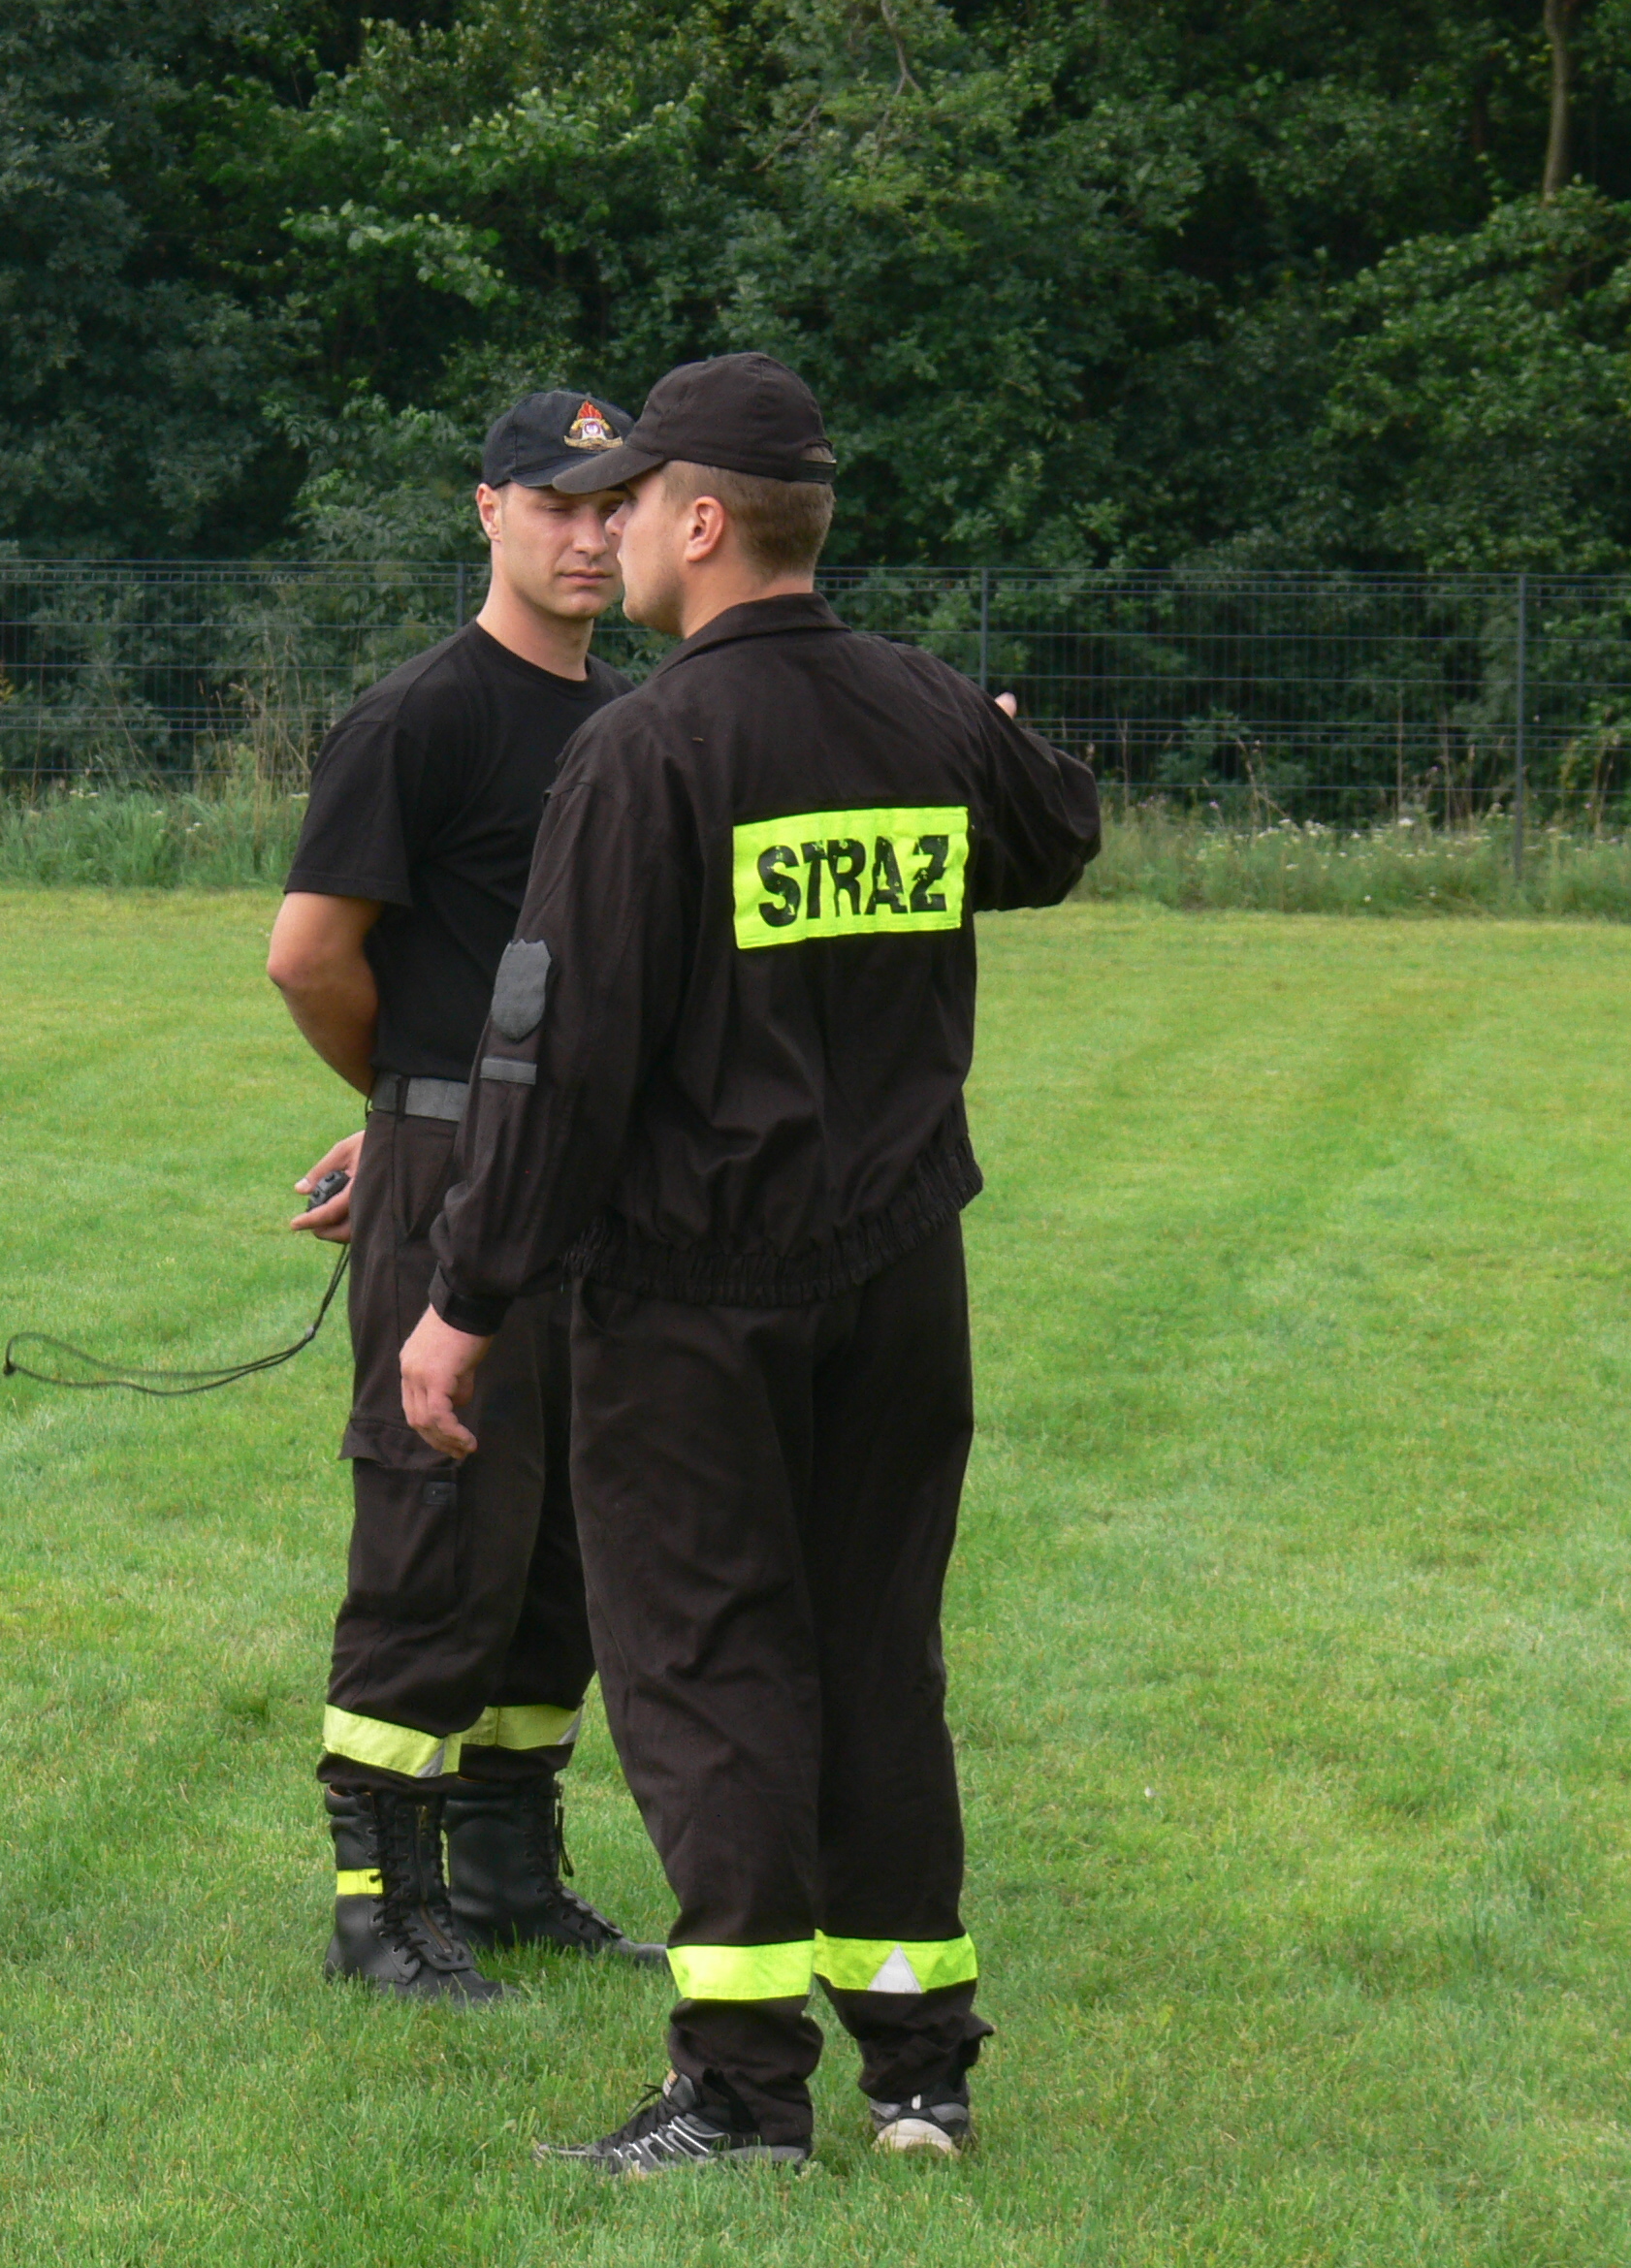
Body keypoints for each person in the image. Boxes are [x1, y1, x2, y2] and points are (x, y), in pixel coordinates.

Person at [401, 352, 1100, 2170]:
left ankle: (736, 2092)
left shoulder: (646, 751)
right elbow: (1056, 835)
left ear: (702, 523)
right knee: (876, 1648)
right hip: (899, 1274)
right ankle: (921, 2069)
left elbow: (556, 1063)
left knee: (709, 1663)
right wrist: (999, 738)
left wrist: (465, 1298)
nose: (612, 527)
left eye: (633, 499)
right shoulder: (925, 711)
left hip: (693, 1296)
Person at [268, 390, 667, 1999]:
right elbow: (309, 956)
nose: (591, 537)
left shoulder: (630, 719)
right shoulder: (418, 719)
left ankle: (506, 1875)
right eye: (559, 505)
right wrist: (414, 1105)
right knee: (434, 1520)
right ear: (489, 511)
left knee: (558, 1532)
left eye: (615, 507)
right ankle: (382, 1903)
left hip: (587, 1178)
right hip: (457, 1165)